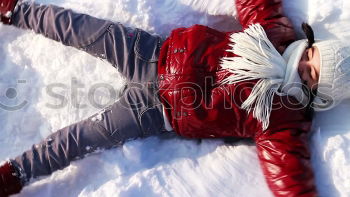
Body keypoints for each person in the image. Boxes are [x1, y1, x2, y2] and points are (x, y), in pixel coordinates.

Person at [2, 0, 349, 196]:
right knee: (80, 28)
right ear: (311, 45)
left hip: (154, 113)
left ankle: (14, 175)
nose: (302, 65)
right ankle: (13, 9)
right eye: (311, 56)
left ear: (318, 94)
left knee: (80, 139)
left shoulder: (285, 118)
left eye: (310, 75)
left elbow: (289, 174)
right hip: (151, 54)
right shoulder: (276, 33)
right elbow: (257, 3)